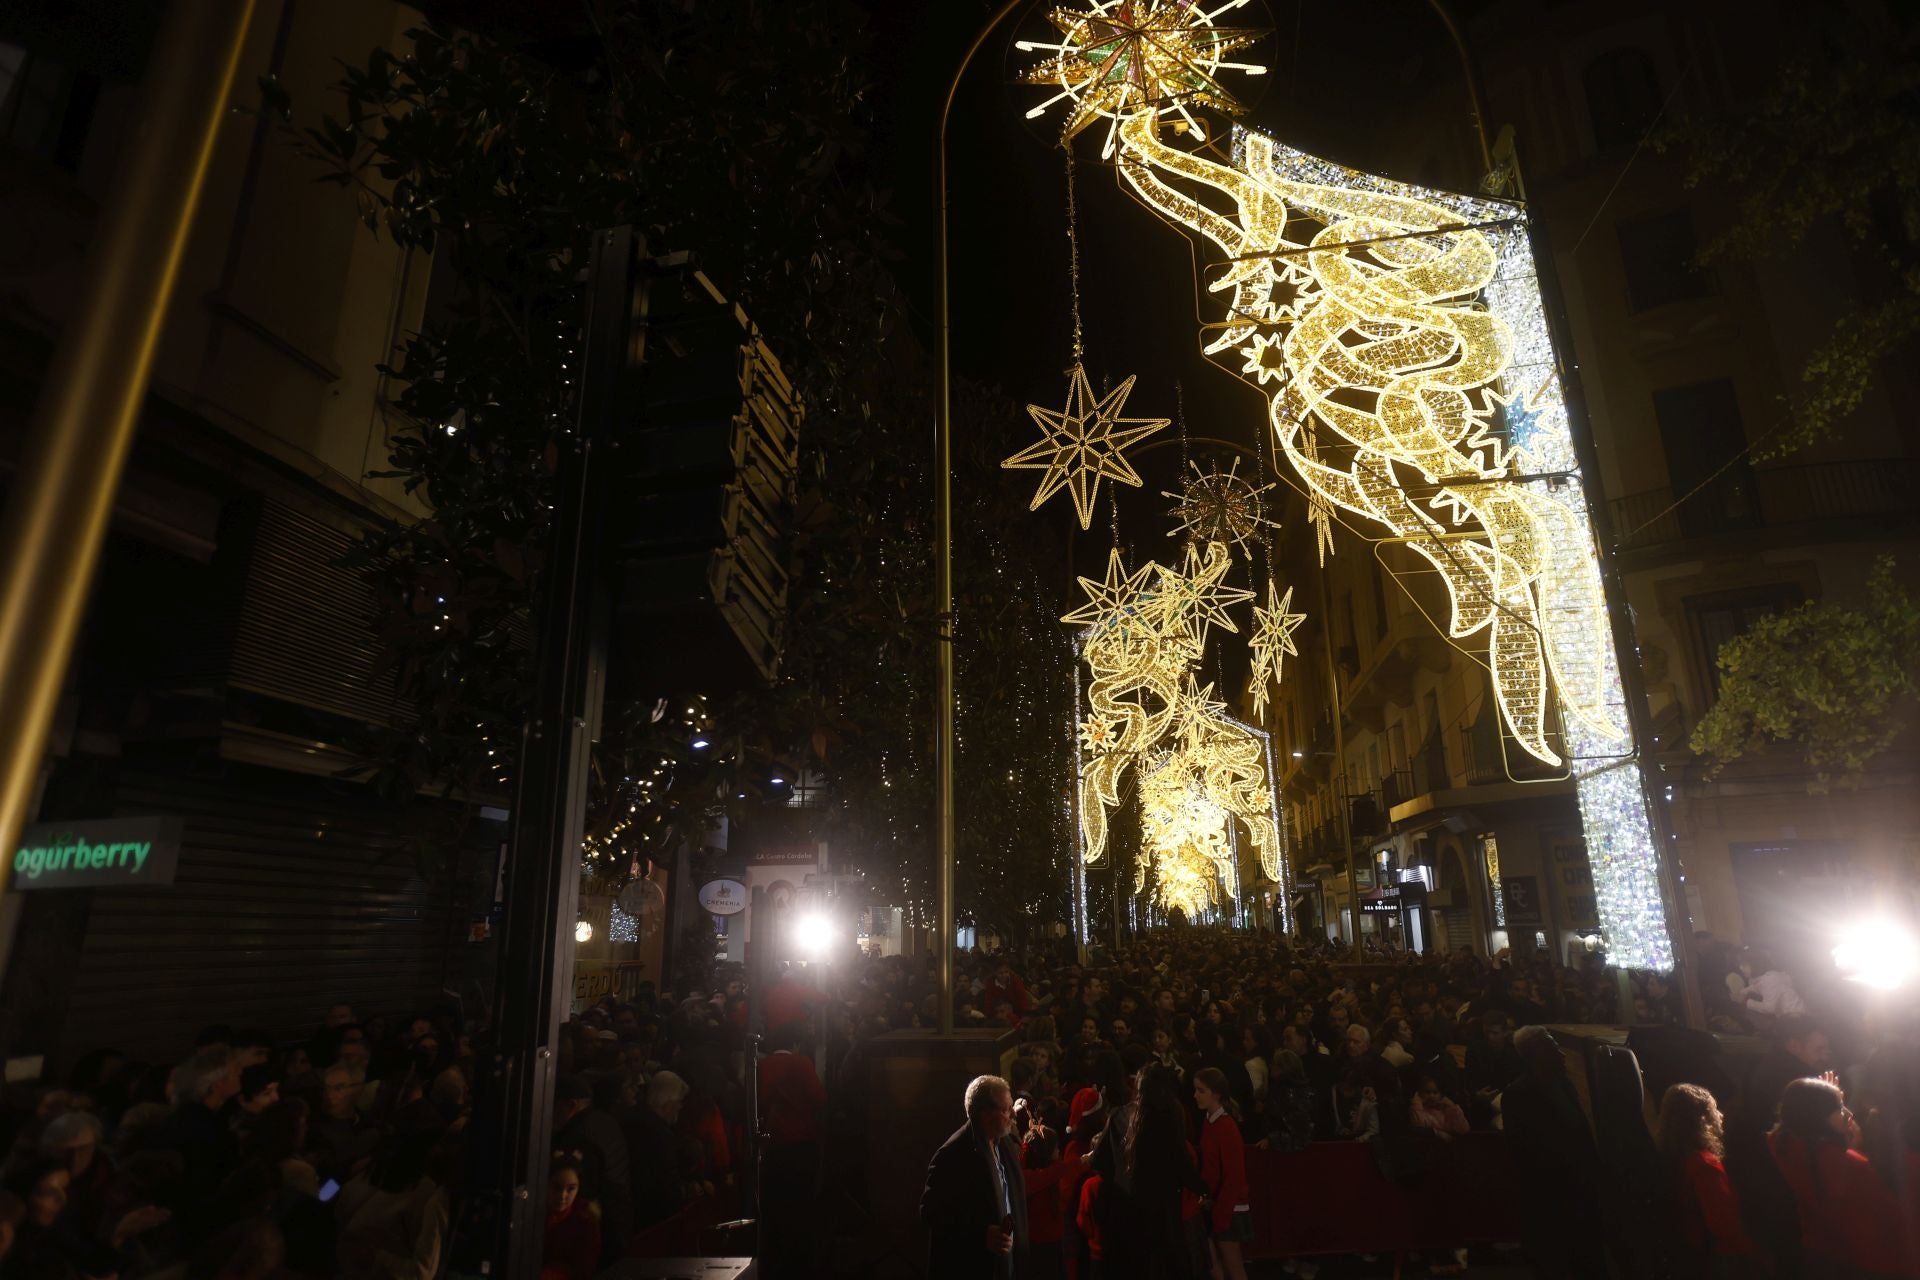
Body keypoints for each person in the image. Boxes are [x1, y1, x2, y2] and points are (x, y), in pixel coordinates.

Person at [1768, 1076, 1904, 1277]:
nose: (1849, 1114)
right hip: (1868, 1258)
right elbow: (1891, 1216)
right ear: (1817, 1117)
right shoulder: (1850, 1165)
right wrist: (1855, 1149)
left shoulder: (1782, 1145)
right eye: (1840, 1108)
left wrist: (1823, 1094)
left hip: (1820, 1248)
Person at [1500, 1027, 1607, 1279]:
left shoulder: (1564, 1084)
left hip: (1582, 1195)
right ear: (1534, 1054)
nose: (1559, 1053)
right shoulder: (1518, 1095)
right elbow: (1525, 1154)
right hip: (1553, 1204)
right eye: (1551, 1047)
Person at [1090, 1063, 1209, 1279]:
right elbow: (1181, 1162)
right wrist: (1203, 1188)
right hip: (1160, 1214)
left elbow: (1100, 1161)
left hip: (1124, 1211)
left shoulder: (1119, 1116)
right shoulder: (1169, 1117)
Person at [920, 1073, 1027, 1280]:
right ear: (985, 1114)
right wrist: (981, 1234)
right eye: (1006, 1109)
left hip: (1007, 1264)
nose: (1013, 1114)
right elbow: (931, 1212)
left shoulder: (1003, 1143)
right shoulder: (953, 1155)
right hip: (973, 1267)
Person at [1655, 1083, 1759, 1276]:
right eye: (1714, 1109)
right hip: (1721, 1262)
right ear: (1703, 1119)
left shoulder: (1672, 1157)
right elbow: (1726, 1226)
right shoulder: (1705, 1164)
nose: (1720, 1115)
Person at [1193, 1068, 1250, 1280]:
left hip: (1227, 1207)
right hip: (1216, 1204)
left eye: (1201, 1091)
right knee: (1213, 1262)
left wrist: (1221, 1213)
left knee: (1233, 1267)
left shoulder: (1225, 1127)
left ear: (1215, 1094)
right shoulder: (1210, 1122)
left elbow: (1234, 1177)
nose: (1195, 1095)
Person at [541, 1154, 601, 1280]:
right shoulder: (533, 1212)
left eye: (571, 1189)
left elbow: (583, 1270)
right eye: (556, 1188)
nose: (563, 1196)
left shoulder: (585, 1220)